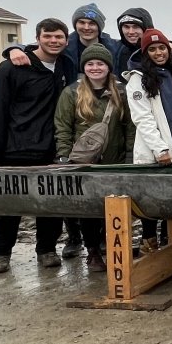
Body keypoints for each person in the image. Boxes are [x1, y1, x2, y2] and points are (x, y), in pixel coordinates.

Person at [3, 3, 121, 258]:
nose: (87, 27)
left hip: (108, 136)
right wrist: (14, 48)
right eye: (82, 22)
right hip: (67, 131)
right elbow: (39, 47)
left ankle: (103, 244)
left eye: (92, 23)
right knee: (71, 194)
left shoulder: (113, 47)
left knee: (103, 197)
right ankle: (74, 239)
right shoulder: (67, 47)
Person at [0, 18, 77, 274]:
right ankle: (1, 253)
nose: (53, 41)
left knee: (49, 202)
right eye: (48, 36)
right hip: (15, 147)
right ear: (37, 38)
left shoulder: (65, 67)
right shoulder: (11, 68)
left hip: (50, 147)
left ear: (66, 41)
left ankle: (46, 250)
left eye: (59, 37)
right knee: (9, 205)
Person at [53, 44, 135, 272]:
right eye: (90, 64)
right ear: (84, 67)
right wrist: (63, 155)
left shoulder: (122, 92)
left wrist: (129, 157)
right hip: (83, 162)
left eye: (100, 63)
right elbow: (63, 127)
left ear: (108, 67)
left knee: (114, 207)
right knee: (88, 211)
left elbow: (130, 127)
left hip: (114, 160)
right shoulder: (71, 93)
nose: (95, 68)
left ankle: (113, 248)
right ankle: (93, 252)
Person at [124, 28, 172, 254]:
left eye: (162, 47)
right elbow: (142, 118)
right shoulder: (138, 79)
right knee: (152, 199)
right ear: (145, 53)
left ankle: (170, 245)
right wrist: (160, 148)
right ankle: (148, 243)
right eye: (152, 49)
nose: (158, 52)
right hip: (157, 151)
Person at [113, 8, 155, 79]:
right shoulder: (118, 50)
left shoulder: (160, 50)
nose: (131, 32)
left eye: (136, 27)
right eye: (126, 27)